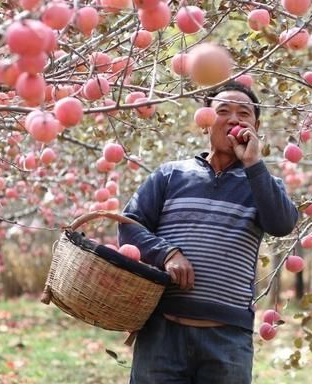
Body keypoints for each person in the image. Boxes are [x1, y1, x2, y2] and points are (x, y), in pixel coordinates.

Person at [118, 80, 299, 384]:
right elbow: (129, 225)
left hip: (227, 340)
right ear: (205, 122)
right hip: (162, 333)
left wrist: (254, 163)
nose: (234, 119)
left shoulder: (263, 183)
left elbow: (281, 224)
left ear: (256, 127)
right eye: (223, 111)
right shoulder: (170, 174)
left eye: (244, 114)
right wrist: (167, 253)